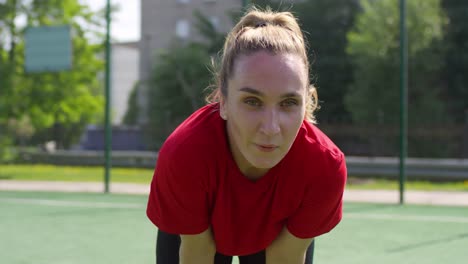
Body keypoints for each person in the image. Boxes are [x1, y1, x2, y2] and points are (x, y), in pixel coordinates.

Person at [146, 7, 347, 264]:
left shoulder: (323, 167)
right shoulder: (185, 154)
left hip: (277, 237)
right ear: (224, 101)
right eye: (252, 101)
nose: (271, 128)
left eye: (288, 103)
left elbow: (286, 257)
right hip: (197, 239)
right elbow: (197, 252)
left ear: (307, 102)